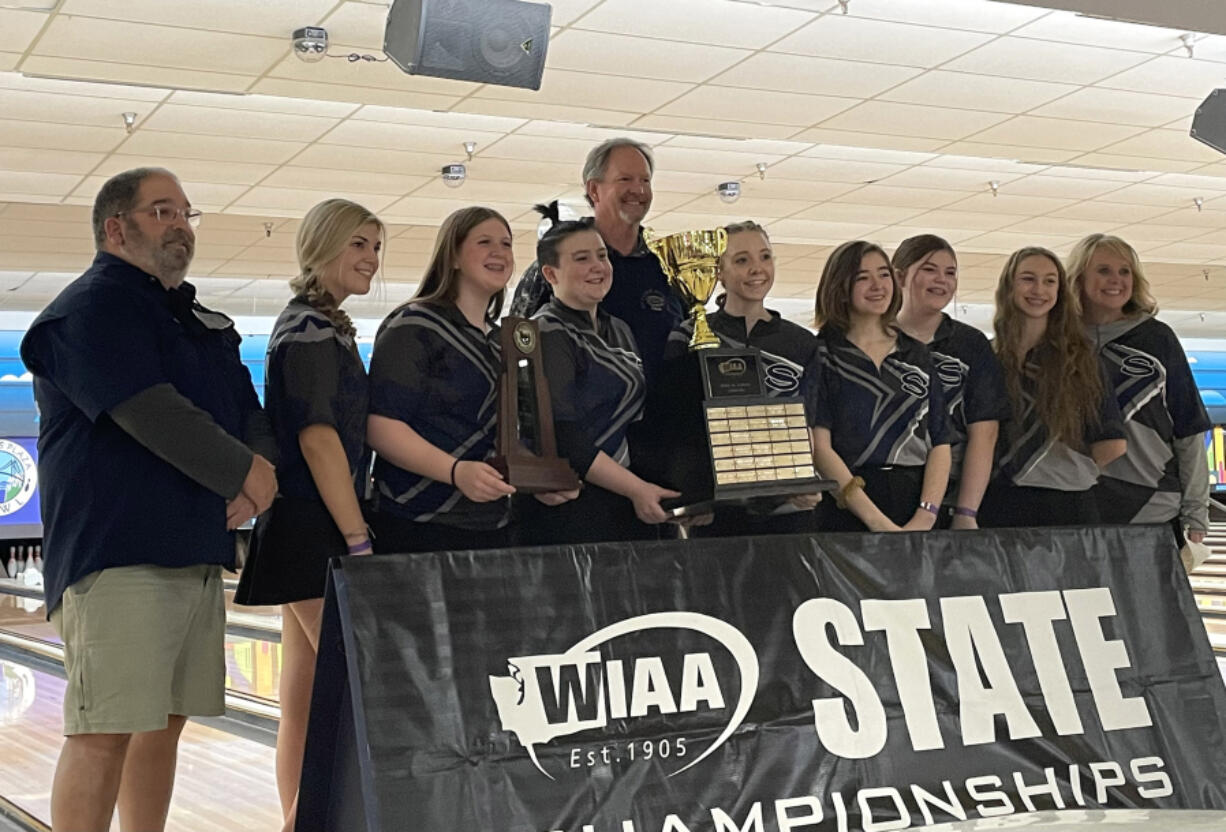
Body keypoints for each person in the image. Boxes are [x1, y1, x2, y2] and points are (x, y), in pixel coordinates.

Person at [18, 167, 277, 832]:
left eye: (186, 212)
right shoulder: (89, 311)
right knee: (106, 729)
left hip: (190, 550)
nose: (180, 225)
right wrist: (245, 473)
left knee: (164, 725)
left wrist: (261, 470)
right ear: (116, 227)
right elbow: (151, 412)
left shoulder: (194, 320)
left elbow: (247, 410)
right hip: (119, 553)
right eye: (162, 211)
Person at [233, 198, 382, 832]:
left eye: (376, 246)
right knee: (356, 695)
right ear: (321, 247)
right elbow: (319, 439)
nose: (371, 258)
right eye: (358, 244)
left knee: (302, 696)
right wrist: (357, 536)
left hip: (295, 526)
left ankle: (294, 821)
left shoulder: (310, 324)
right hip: (316, 528)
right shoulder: (314, 332)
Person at [517, 203, 679, 545]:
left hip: (627, 499)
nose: (597, 267)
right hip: (573, 504)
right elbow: (563, 434)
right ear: (550, 274)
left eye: (602, 256)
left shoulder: (618, 328)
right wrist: (636, 489)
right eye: (581, 259)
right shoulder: (544, 332)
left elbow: (639, 418)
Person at [366, 207, 519, 552]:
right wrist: (455, 471)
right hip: (417, 522)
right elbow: (380, 425)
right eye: (484, 242)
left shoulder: (502, 340)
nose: (500, 252)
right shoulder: (414, 325)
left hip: (494, 524)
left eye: (507, 244)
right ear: (452, 256)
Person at [663, 220, 823, 536]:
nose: (757, 268)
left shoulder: (803, 343)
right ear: (718, 272)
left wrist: (807, 479)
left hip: (787, 510)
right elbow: (674, 424)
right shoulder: (689, 335)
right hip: (716, 509)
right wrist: (690, 494)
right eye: (741, 260)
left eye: (765, 257)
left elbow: (810, 423)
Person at [1068, 233, 1211, 544]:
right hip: (1077, 503)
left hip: (1152, 505)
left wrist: (1196, 511)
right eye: (1103, 270)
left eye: (1125, 271)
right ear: (1078, 277)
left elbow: (1189, 428)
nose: (1116, 280)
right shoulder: (1061, 340)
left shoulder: (1157, 338)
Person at [509, 137, 683, 384]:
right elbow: (519, 348)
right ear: (594, 190)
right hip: (583, 419)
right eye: (625, 179)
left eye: (645, 180)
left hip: (661, 418)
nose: (639, 190)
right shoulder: (557, 263)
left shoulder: (668, 266)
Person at [980, 246, 1127, 527]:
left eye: (1049, 281)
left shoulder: (1081, 359)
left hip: (1068, 504)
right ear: (1009, 286)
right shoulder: (988, 358)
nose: (1039, 289)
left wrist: (1063, 468)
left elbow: (1112, 442)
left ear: (1060, 292)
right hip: (999, 500)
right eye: (1028, 279)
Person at [811, 240, 951, 532]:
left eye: (884, 274)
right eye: (863, 277)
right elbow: (820, 447)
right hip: (849, 505)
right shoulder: (822, 355)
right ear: (840, 287)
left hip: (916, 502)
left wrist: (926, 515)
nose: (877, 285)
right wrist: (875, 520)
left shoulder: (917, 354)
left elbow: (939, 441)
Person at [893, 234, 1009, 530]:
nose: (941, 280)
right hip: (886, 490)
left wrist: (966, 512)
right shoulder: (875, 337)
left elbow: (984, 432)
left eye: (950, 272)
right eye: (929, 269)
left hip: (949, 496)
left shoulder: (970, 344)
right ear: (900, 276)